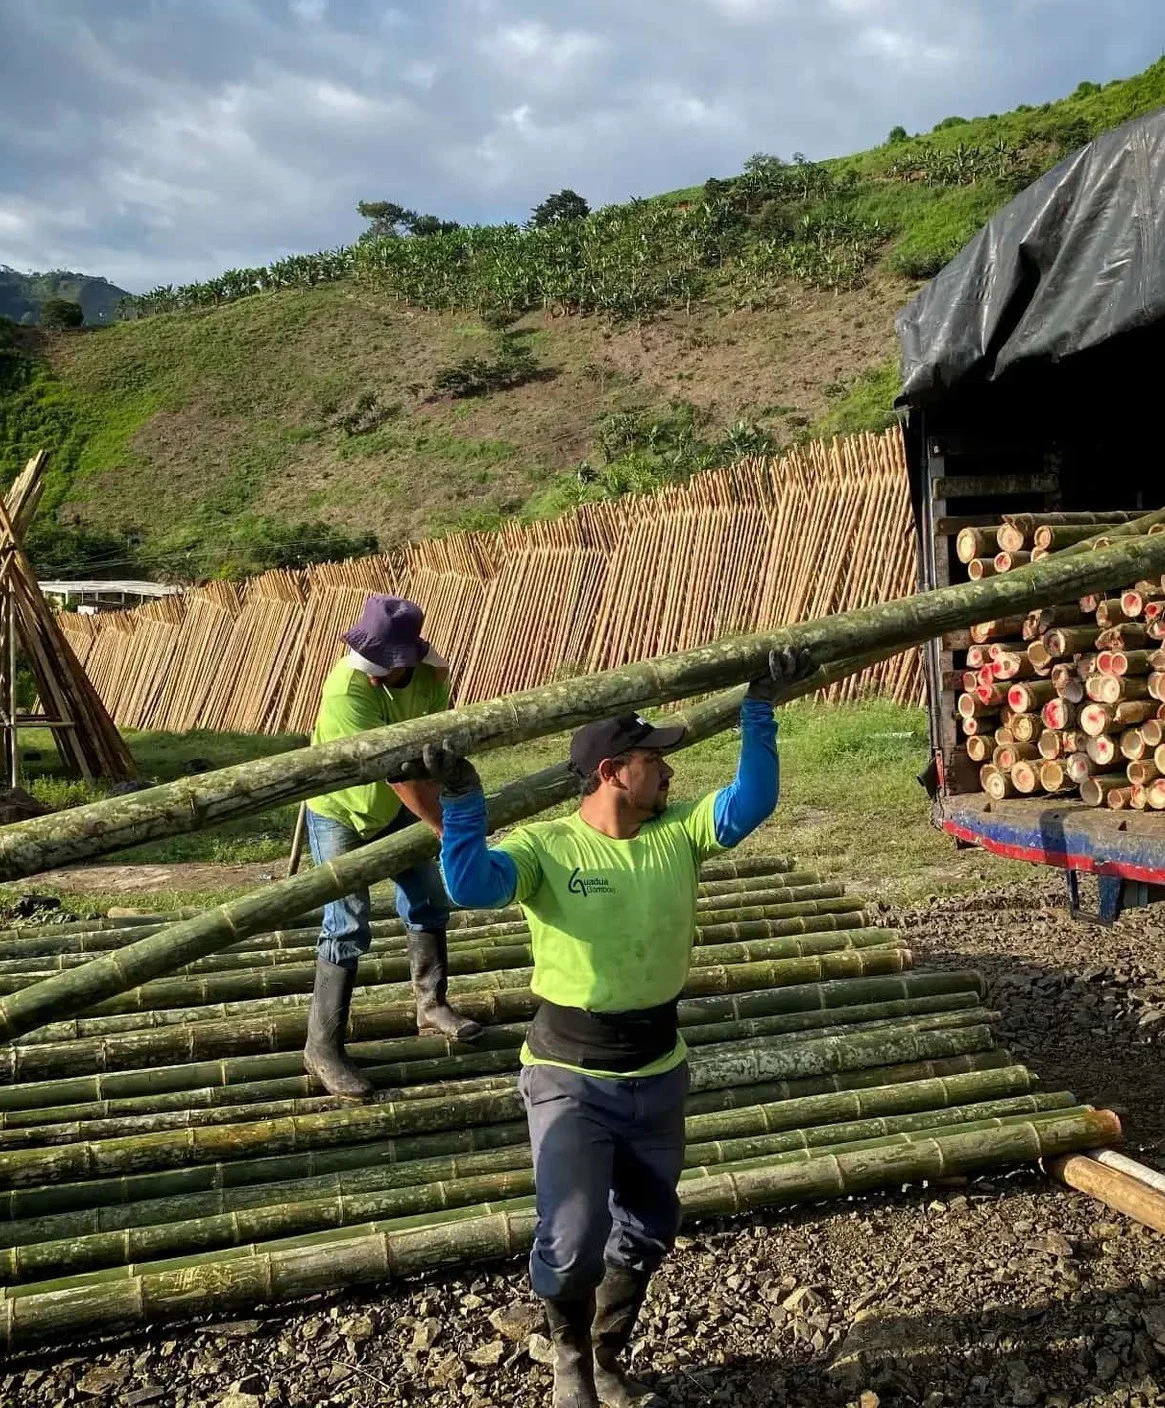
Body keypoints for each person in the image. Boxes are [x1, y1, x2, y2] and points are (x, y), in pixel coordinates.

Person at [424, 649, 809, 1408]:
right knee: (570, 1243)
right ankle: (568, 1355)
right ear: (611, 773)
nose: (668, 770)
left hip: (659, 1066)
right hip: (569, 1074)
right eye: (652, 759)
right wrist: (464, 801)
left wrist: (758, 709)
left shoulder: (680, 835)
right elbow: (469, 886)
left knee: (649, 1226)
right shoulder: (547, 849)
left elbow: (751, 800)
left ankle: (604, 1353)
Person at [300, 595, 480, 1101]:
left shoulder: (430, 678)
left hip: (400, 804)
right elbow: (397, 772)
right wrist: (449, 830)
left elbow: (432, 752)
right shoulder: (346, 693)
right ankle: (323, 1047)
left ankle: (431, 1005)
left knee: (428, 897)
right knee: (346, 924)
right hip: (343, 810)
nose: (376, 672)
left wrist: (448, 808)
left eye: (386, 663)